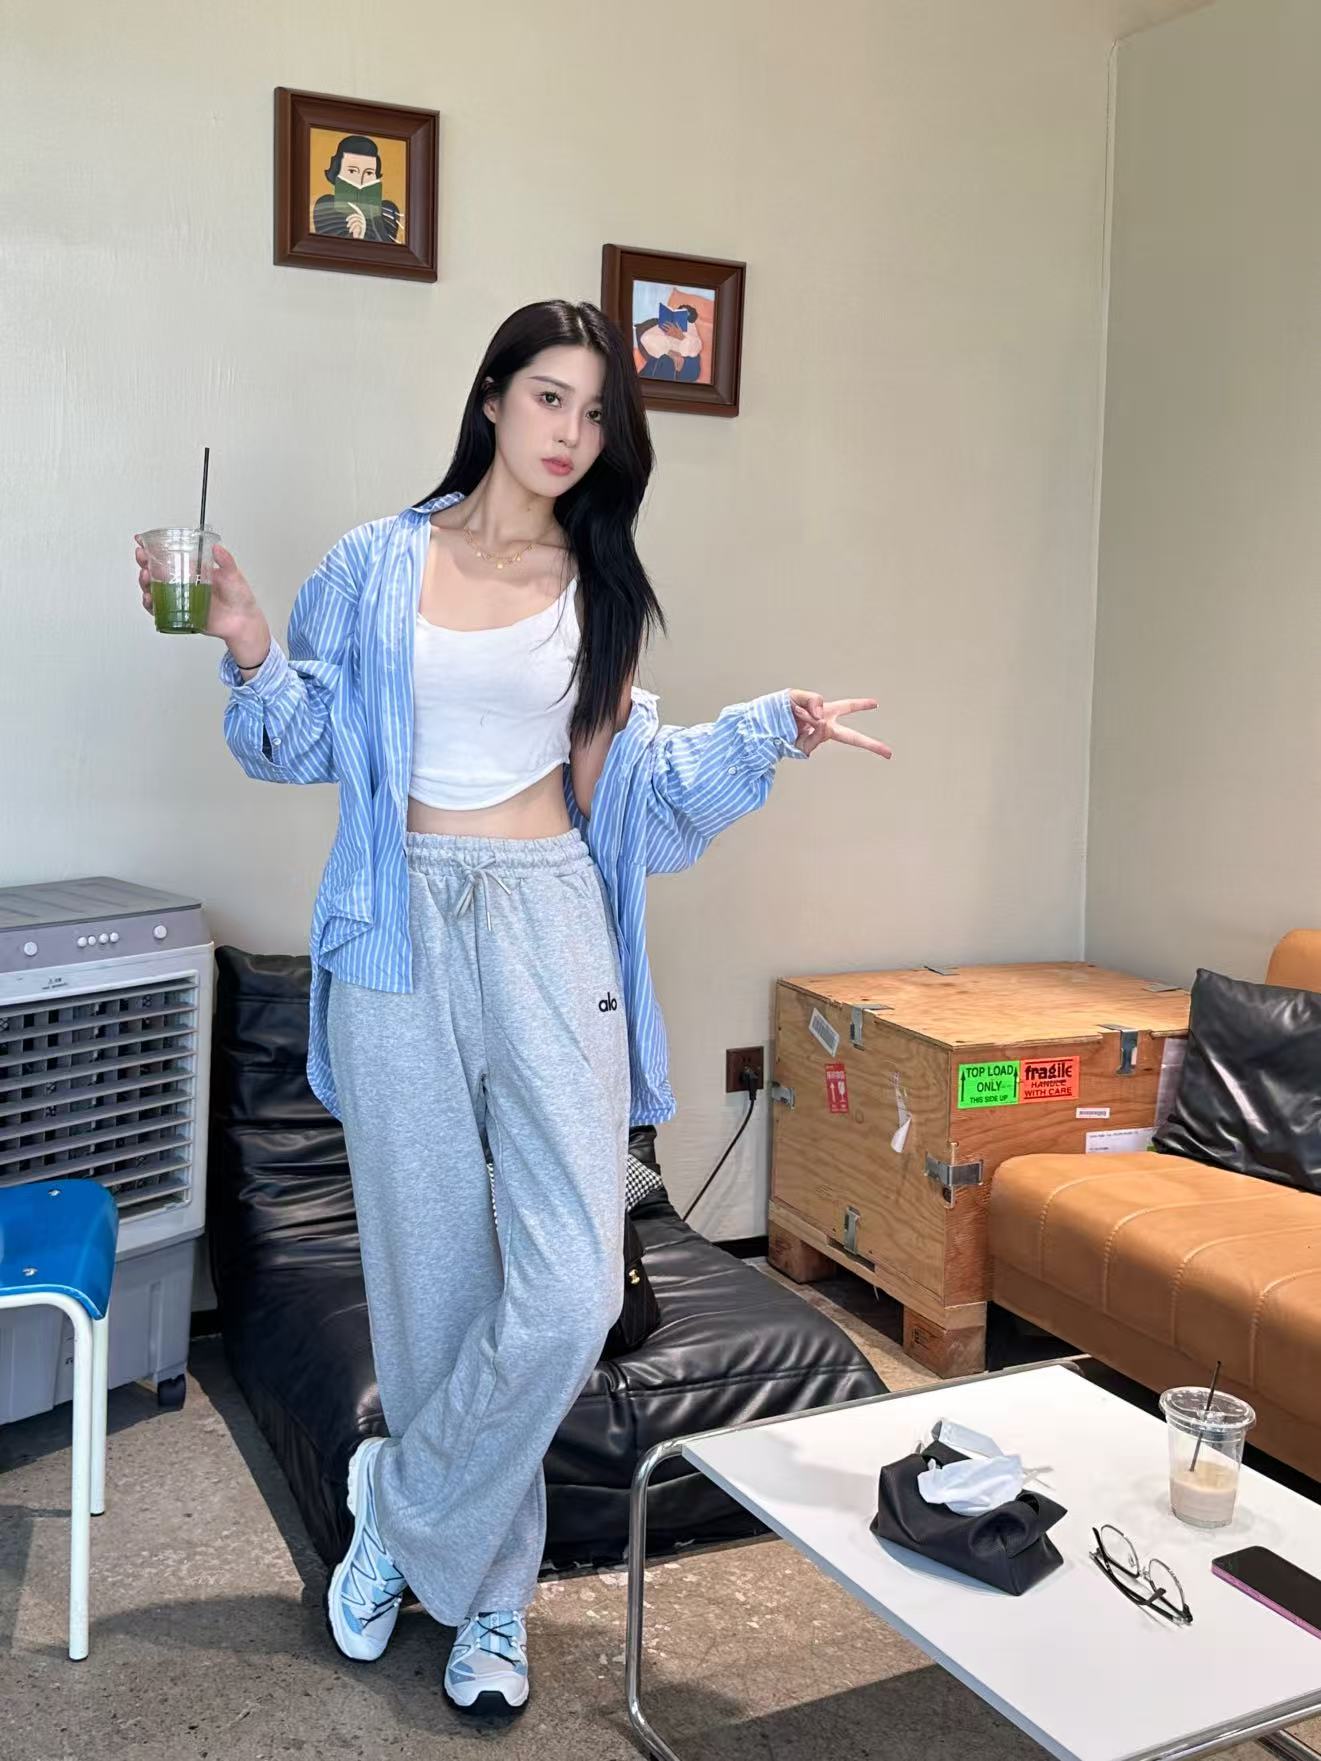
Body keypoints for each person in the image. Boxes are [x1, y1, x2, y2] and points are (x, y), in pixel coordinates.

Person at [131, 299, 890, 1718]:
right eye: (551, 398)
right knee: (433, 1288)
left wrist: (764, 731)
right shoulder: (374, 565)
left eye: (597, 415)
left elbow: (629, 798)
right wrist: (244, 638)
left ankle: (397, 1503)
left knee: (569, 1289)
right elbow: (299, 743)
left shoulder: (598, 588)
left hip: (549, 918)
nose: (571, 433)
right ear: (492, 398)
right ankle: (491, 1599)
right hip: (399, 929)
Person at [312, 134, 404, 243]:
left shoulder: (388, 211)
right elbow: (326, 246)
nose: (360, 180)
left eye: (369, 173)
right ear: (337, 171)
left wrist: (372, 214)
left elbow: (389, 248)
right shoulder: (325, 206)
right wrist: (355, 237)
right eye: (352, 171)